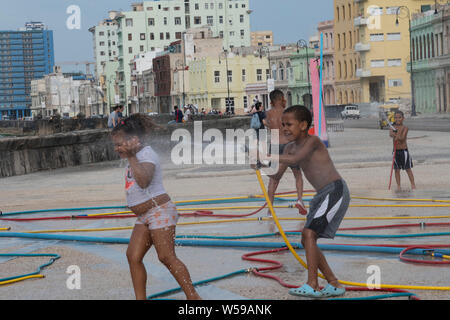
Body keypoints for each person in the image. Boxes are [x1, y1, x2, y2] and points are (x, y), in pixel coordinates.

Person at [262, 105, 350, 298]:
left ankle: (312, 284)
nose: (285, 128)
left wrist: (267, 155)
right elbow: (277, 173)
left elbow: (297, 158)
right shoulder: (290, 147)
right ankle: (333, 283)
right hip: (321, 195)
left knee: (309, 234)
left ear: (303, 125)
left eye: (289, 124)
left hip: (335, 190)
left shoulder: (313, 141)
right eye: (283, 124)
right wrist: (261, 165)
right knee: (306, 238)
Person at [111, 114, 201, 300]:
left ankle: (193, 298)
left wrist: (132, 156)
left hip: (159, 211)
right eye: (115, 144)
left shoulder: (146, 154)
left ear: (133, 140)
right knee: (133, 256)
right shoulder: (134, 156)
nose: (116, 148)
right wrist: (130, 156)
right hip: (145, 215)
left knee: (166, 256)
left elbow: (144, 181)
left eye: (119, 144)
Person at [265, 90, 306, 216]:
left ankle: (270, 209)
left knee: (273, 179)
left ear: (271, 101)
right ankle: (299, 199)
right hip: (289, 145)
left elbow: (268, 125)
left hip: (275, 146)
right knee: (297, 174)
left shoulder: (268, 113)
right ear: (282, 99)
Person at [390, 110, 416, 191]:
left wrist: (396, 134)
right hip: (395, 151)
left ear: (403, 118)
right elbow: (391, 134)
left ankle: (413, 185)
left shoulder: (405, 128)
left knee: (408, 169)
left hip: (403, 151)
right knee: (396, 170)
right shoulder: (392, 127)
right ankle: (398, 186)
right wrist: (395, 133)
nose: (397, 119)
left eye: (399, 118)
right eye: (396, 118)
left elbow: (402, 138)